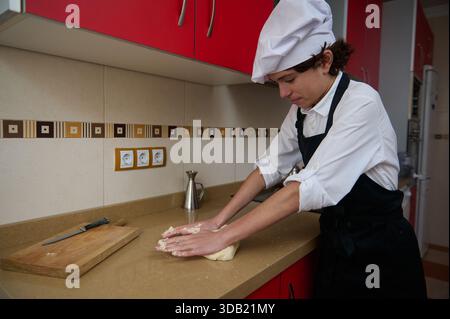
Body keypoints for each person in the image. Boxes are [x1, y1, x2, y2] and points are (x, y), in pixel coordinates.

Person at [156, 0, 427, 298]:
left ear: (325, 61)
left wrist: (222, 239)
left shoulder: (362, 103)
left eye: (289, 79)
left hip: (379, 250)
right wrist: (218, 221)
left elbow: (305, 187)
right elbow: (270, 166)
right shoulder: (302, 110)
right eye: (277, 83)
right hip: (336, 243)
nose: (283, 93)